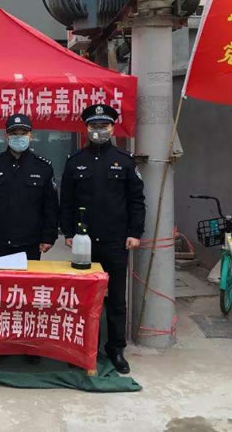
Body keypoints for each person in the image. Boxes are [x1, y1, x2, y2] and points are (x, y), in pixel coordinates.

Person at [60, 104, 145, 374]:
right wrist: (68, 232)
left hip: (116, 241)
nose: (99, 131)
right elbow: (67, 201)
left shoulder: (125, 160)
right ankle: (85, 347)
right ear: (86, 129)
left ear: (112, 128)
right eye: (94, 126)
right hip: (84, 242)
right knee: (84, 297)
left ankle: (116, 349)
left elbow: (136, 201)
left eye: (104, 126)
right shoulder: (75, 161)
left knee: (116, 298)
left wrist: (135, 233)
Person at [0, 114, 59, 261]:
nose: (19, 137)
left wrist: (49, 236)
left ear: (30, 136)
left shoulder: (43, 167)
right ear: (7, 136)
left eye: (23, 133)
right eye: (14, 133)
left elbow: (50, 205)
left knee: (29, 276)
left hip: (30, 242)